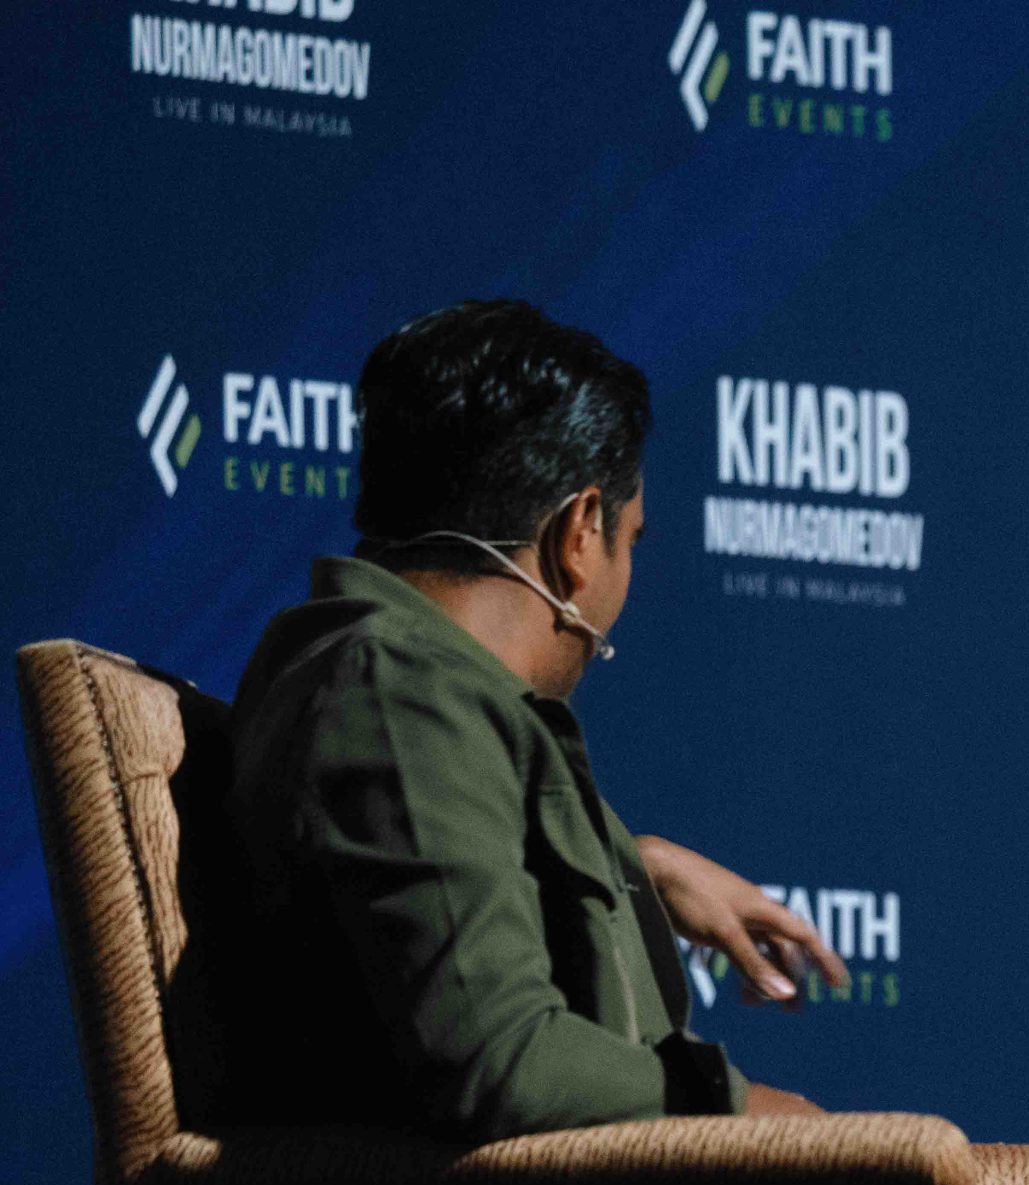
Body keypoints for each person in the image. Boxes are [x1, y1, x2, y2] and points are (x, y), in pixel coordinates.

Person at [227, 300, 845, 1138]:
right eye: (629, 537)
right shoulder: (397, 690)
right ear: (578, 534)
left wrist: (639, 865)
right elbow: (499, 1062)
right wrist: (767, 1120)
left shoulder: (399, 687)